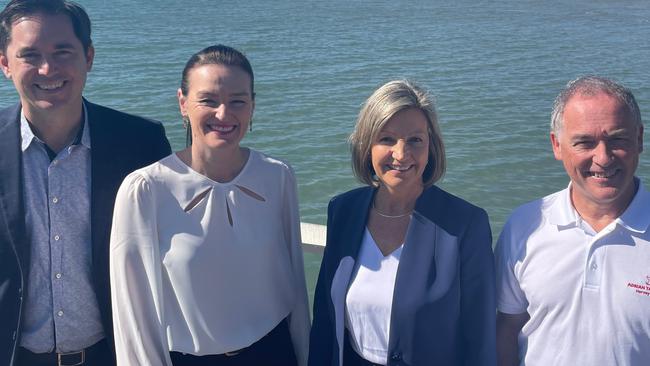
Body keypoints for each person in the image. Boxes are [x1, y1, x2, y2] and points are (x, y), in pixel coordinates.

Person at [109, 44, 311, 366]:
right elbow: (135, 315)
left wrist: (305, 355)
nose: (223, 114)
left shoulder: (278, 176)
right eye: (208, 100)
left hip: (275, 352)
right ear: (183, 104)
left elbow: (296, 286)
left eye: (238, 102)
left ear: (252, 107)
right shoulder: (146, 189)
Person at [0, 0, 171, 365]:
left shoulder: (141, 142)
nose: (48, 69)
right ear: (5, 64)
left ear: (88, 57)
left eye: (63, 51)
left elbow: (171, 254)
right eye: (30, 55)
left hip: (114, 353)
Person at [309, 80, 496, 366]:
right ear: (366, 144)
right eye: (386, 139)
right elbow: (325, 316)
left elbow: (479, 338)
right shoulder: (342, 211)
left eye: (414, 140)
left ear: (430, 146)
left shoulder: (465, 225)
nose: (401, 153)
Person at [495, 76, 649, 365]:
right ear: (557, 145)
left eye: (617, 140)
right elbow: (507, 327)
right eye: (585, 142)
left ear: (639, 139)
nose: (603, 158)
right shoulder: (524, 227)